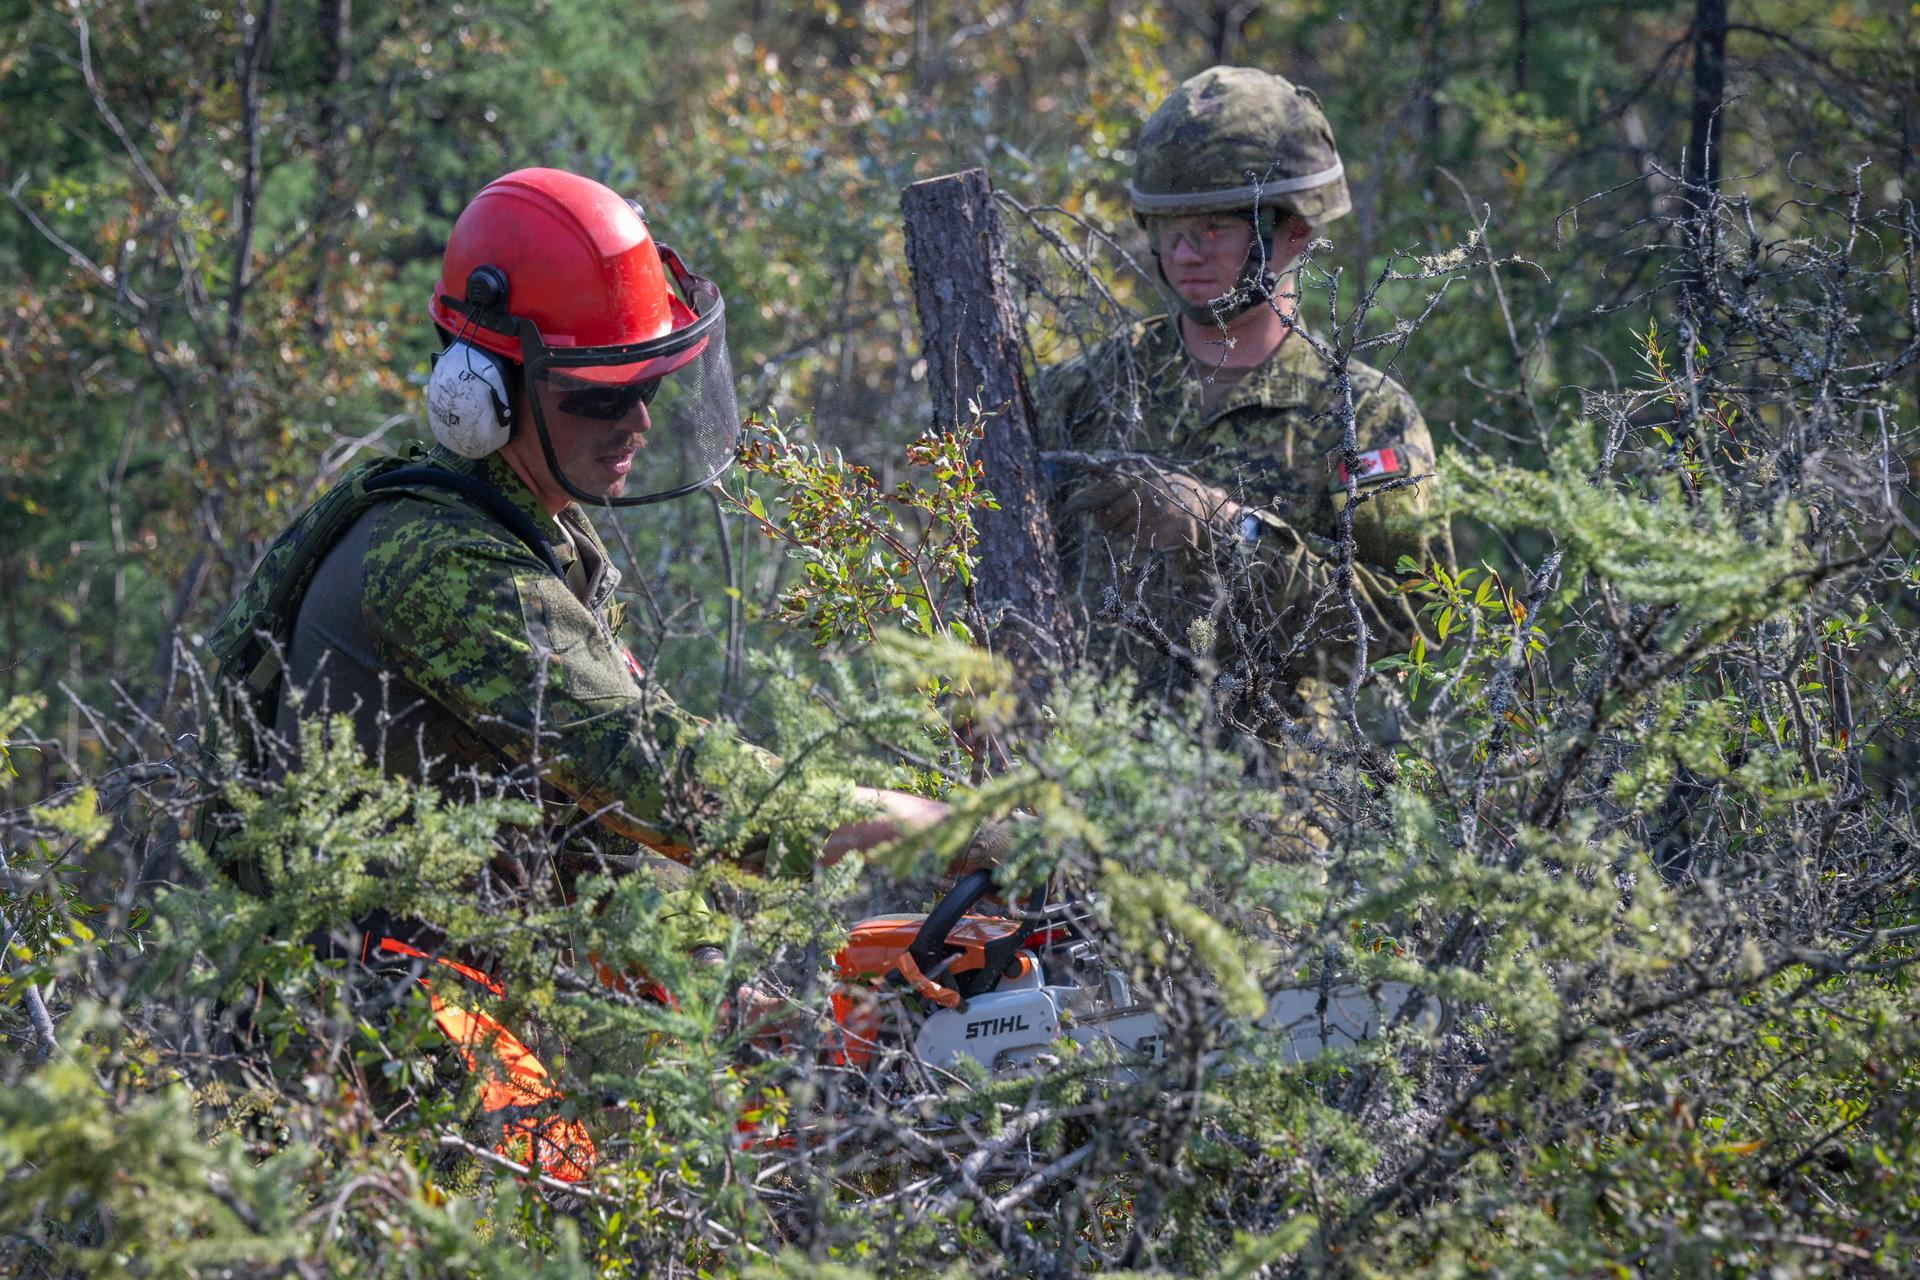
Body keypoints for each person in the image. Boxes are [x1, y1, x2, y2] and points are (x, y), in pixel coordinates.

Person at [204, 168, 960, 1177]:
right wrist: (947, 824)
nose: (638, 419)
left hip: (471, 982)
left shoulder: (530, 537)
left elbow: (593, 834)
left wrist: (723, 1002)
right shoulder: (442, 564)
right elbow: (678, 783)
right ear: (483, 392)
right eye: (601, 393)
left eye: (648, 383)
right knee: (597, 1212)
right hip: (365, 1011)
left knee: (755, 1130)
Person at [1038, 67, 1451, 733]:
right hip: (1075, 785)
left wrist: (1228, 533)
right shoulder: (1081, 390)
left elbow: (1411, 634)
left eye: (1216, 226)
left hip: (1264, 814)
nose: (1184, 251)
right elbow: (990, 569)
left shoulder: (1365, 417)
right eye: (1168, 225)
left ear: (1296, 228)